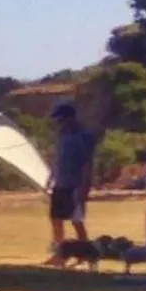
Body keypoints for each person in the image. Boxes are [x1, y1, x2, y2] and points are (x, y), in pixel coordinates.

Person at [48, 101, 97, 262]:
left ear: (71, 118)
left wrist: (84, 187)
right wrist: (51, 177)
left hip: (75, 185)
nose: (58, 124)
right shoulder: (62, 136)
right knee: (56, 218)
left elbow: (86, 163)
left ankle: (85, 253)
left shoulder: (83, 137)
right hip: (60, 183)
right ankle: (59, 253)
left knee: (77, 221)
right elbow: (58, 160)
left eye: (61, 120)